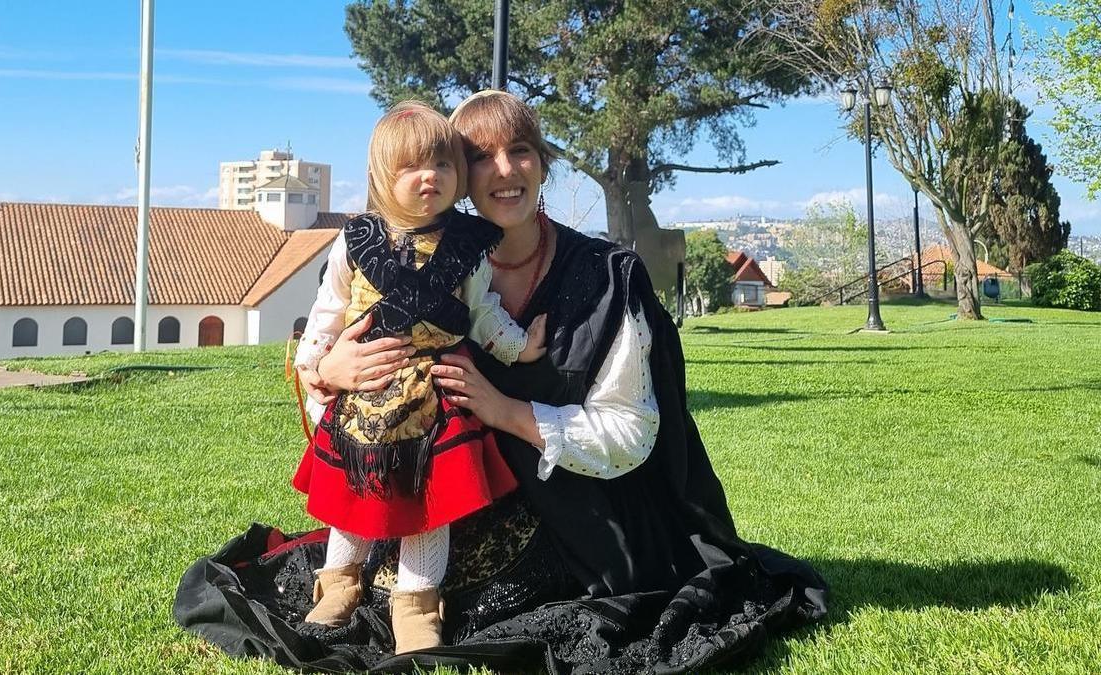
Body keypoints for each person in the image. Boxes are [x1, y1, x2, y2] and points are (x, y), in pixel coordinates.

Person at [174, 91, 827, 674]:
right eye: (480, 156)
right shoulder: (416, 258)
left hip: (583, 517)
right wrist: (329, 370)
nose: (504, 169)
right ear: (461, 176)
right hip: (443, 498)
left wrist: (506, 409)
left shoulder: (607, 279)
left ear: (543, 164)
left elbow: (632, 431)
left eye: (520, 151)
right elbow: (337, 386)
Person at [288, 100, 545, 653]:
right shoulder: (355, 239)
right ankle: (339, 583)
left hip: (436, 394)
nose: (429, 176)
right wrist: (317, 366)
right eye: (410, 167)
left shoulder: (470, 244)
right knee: (354, 495)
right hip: (363, 394)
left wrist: (520, 347)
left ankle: (416, 604)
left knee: (431, 506)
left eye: (442, 164)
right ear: (381, 176)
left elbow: (484, 312)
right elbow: (328, 309)